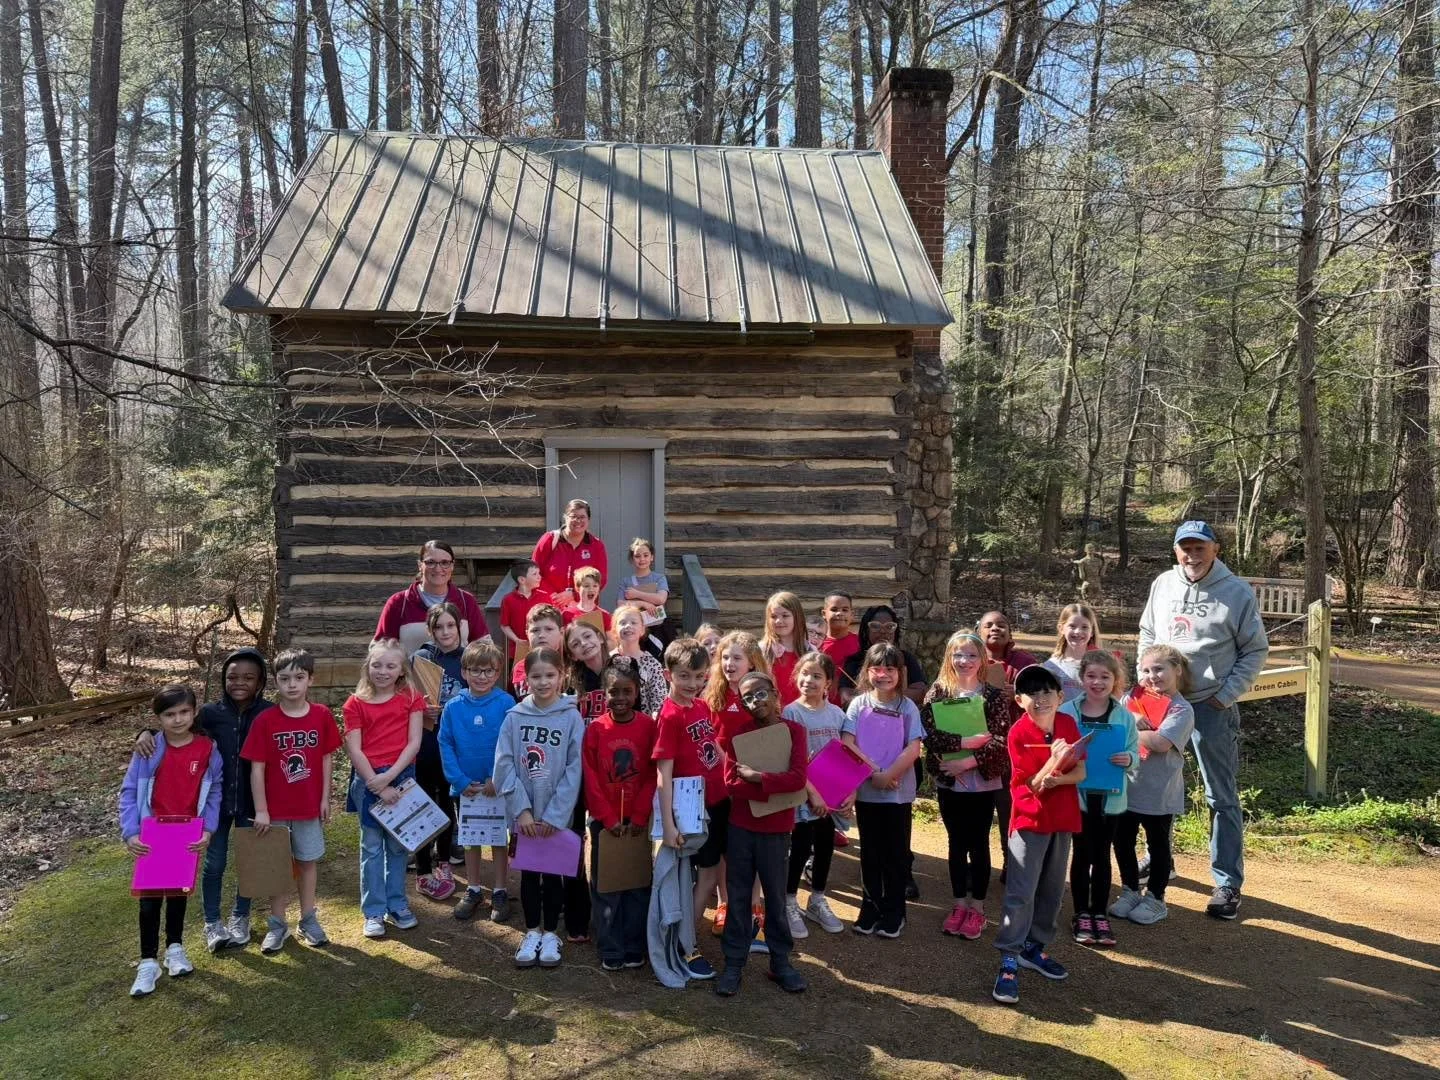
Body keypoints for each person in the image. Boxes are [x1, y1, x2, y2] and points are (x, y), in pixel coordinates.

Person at [1138, 520, 1268, 920]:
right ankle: (1161, 860)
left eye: (1200, 547)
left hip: (1210, 708)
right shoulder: (1163, 584)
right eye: (1185, 548)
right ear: (1177, 550)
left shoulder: (1236, 592)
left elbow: (1255, 650)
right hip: (1163, 705)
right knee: (1155, 789)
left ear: (1216, 549)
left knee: (1220, 796)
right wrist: (1147, 684)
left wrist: (1225, 695)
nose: (1192, 555)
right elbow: (1147, 633)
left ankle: (1227, 882)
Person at [134, 646, 270, 953]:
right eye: (233, 677)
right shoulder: (209, 713)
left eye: (248, 677)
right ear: (224, 678)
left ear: (260, 681)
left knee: (249, 863)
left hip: (254, 802)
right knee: (214, 863)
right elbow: (174, 729)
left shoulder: (267, 712)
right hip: (215, 805)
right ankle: (212, 922)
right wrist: (144, 732)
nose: (239, 683)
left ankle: (240, 916)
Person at [991, 665, 1085, 1006]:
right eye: (1032, 693)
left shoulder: (1068, 724)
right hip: (1029, 822)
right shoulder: (1018, 732)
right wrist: (1053, 763)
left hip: (1062, 819)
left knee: (1052, 891)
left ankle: (1035, 948)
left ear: (1060, 697)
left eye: (1048, 692)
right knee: (1021, 893)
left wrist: (1058, 777)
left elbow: (1080, 770)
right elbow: (1029, 785)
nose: (1041, 698)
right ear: (1019, 700)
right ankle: (1009, 958)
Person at [120, 685, 222, 997]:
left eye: (184, 712)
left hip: (186, 833)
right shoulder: (149, 749)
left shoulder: (207, 749)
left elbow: (215, 789)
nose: (177, 719)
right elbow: (129, 792)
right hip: (153, 834)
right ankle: (148, 961)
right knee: (150, 900)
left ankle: (175, 949)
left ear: (194, 712)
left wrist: (209, 828)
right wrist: (131, 831)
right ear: (158, 718)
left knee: (178, 894)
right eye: (169, 714)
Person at [715, 671, 809, 996]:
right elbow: (730, 784)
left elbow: (797, 779)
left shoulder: (795, 732)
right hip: (741, 828)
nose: (755, 701)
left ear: (773, 691)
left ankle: (780, 961)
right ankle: (733, 962)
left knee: (775, 898)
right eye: (747, 697)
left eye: (759, 693)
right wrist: (772, 786)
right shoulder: (740, 735)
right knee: (738, 895)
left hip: (776, 830)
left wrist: (757, 777)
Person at [242, 648, 341, 953]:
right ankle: (277, 924)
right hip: (274, 811)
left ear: (311, 679)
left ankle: (308, 918)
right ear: (276, 682)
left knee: (307, 862)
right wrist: (261, 809)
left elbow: (326, 760)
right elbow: (256, 768)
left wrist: (325, 798)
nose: (292, 685)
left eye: (299, 677)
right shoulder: (265, 720)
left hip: (308, 807)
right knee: (277, 867)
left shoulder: (321, 715)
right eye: (284, 679)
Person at [494, 647, 585, 969]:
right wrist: (523, 811)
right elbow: (504, 766)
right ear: (525, 679)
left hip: (555, 817)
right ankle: (532, 931)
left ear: (562, 676)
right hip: (527, 817)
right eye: (536, 676)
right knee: (531, 874)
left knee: (555, 874)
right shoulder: (514, 718)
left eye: (550, 675)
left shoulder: (571, 717)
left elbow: (575, 769)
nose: (543, 682)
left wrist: (555, 816)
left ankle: (551, 935)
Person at [921, 631, 1011, 941]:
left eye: (972, 655)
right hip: (950, 781)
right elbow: (930, 736)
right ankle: (959, 904)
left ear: (983, 659)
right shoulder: (937, 693)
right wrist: (961, 744)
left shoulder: (994, 696)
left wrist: (967, 761)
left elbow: (1000, 741)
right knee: (956, 843)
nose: (965, 661)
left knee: (979, 844)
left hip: (981, 781)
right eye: (958, 655)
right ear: (949, 658)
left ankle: (978, 909)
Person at [342, 639, 425, 939]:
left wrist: (391, 777)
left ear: (401, 669)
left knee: (398, 845)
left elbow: (414, 741)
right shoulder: (355, 703)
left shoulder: (411, 697)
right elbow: (354, 748)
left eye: (391, 665)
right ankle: (374, 911)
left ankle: (398, 904)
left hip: (402, 776)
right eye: (377, 664)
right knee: (372, 847)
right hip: (368, 781)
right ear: (368, 666)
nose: (383, 671)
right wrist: (375, 783)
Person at [653, 637, 725, 980]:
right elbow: (663, 773)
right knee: (692, 879)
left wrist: (734, 772)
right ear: (669, 675)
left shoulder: (701, 706)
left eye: (699, 676)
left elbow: (713, 748)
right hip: (690, 810)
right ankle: (686, 944)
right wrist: (668, 824)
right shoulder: (669, 715)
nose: (693, 684)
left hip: (716, 800)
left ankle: (690, 936)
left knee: (709, 876)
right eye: (685, 677)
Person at [842, 643, 925, 938]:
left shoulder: (908, 707)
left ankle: (894, 911)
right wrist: (875, 773)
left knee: (895, 852)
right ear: (868, 671)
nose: (883, 674)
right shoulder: (858, 704)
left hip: (898, 794)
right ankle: (870, 906)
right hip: (867, 792)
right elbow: (848, 742)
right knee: (871, 852)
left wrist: (890, 774)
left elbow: (914, 747)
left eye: (890, 669)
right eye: (877, 668)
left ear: (900, 673)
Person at [1111, 645, 1197, 926]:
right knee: (1122, 840)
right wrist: (1132, 719)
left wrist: (1131, 727)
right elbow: (1113, 722)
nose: (1152, 676)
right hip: (1128, 787)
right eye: (1146, 670)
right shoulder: (1132, 698)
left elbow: (1161, 743)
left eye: (1159, 669)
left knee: (1158, 846)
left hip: (1159, 793)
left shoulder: (1181, 709)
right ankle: (1130, 890)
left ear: (1177, 670)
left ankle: (1156, 898)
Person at [583, 657, 658, 971]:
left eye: (628, 691)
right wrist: (607, 818)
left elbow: (653, 774)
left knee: (637, 886)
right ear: (604, 692)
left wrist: (639, 815)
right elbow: (591, 777)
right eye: (614, 691)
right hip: (606, 825)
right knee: (607, 886)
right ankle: (609, 945)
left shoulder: (648, 727)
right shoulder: (596, 730)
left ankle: (633, 944)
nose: (621, 698)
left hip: (637, 824)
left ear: (638, 691)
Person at [1058, 650, 1137, 949]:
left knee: (1102, 855)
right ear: (1082, 679)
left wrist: (1128, 758)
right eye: (1091, 675)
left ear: (1115, 680)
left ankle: (1099, 913)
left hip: (1111, 800)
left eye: (1105, 676)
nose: (1097, 682)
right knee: (1081, 854)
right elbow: (1056, 750)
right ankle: (1081, 913)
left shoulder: (1124, 715)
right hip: (1077, 796)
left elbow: (1135, 755)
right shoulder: (1067, 712)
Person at [439, 640, 516, 924]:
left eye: (488, 671)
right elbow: (445, 742)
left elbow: (512, 743)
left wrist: (500, 777)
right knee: (470, 840)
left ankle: (499, 890)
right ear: (464, 672)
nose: (481, 676)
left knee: (497, 839)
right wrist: (458, 780)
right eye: (475, 670)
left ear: (497, 674)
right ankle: (472, 889)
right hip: (467, 788)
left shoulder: (506, 703)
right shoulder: (453, 707)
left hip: (496, 787)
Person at [702, 631, 771, 945]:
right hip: (717, 784)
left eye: (737, 658)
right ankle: (724, 902)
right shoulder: (712, 695)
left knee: (749, 848)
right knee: (721, 849)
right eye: (725, 658)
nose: (729, 664)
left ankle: (756, 905)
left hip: (749, 782)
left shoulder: (761, 696)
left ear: (752, 662)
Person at [782, 652, 849, 937]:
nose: (809, 680)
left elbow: (848, 757)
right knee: (799, 849)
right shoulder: (790, 713)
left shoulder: (838, 715)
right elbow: (790, 760)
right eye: (805, 674)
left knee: (824, 846)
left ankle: (817, 899)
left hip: (831, 798)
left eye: (817, 676)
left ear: (829, 683)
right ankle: (789, 901)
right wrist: (813, 794)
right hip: (803, 796)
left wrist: (850, 791)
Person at [560, 619, 611, 943]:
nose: (584, 645)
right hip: (577, 769)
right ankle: (576, 912)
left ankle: (609, 908)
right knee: (572, 837)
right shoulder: (570, 683)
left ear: (600, 636)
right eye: (576, 644)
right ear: (572, 655)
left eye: (587, 637)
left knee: (606, 839)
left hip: (614, 768)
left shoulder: (623, 668)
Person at [412, 603, 465, 899]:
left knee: (446, 801)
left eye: (450, 626)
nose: (445, 632)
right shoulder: (420, 658)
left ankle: (444, 861)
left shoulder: (466, 659)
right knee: (422, 803)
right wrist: (421, 707)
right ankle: (422, 868)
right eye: (439, 627)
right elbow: (405, 697)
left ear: (458, 627)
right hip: (424, 742)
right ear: (430, 631)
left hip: (453, 744)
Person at [977, 611, 1039, 865]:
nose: (995, 629)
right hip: (978, 746)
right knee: (978, 812)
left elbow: (1042, 697)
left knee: (1009, 808)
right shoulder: (970, 658)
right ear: (979, 631)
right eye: (988, 625)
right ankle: (978, 864)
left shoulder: (1024, 662)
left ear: (1010, 632)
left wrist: (1020, 694)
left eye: (1001, 625)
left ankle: (1011, 862)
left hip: (1014, 751)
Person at [374, 540, 487, 657]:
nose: (438, 569)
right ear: (420, 565)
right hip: (412, 674)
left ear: (452, 566)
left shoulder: (466, 601)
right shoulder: (399, 602)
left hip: (459, 675)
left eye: (445, 562)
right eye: (430, 562)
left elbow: (483, 645)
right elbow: (380, 648)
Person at [841, 606, 928, 708]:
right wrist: (877, 697)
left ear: (896, 631)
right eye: (875, 626)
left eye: (889, 626)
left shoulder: (906, 659)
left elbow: (921, 693)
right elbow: (845, 698)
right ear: (866, 630)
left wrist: (888, 695)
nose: (883, 631)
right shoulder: (854, 661)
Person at [532, 498, 608, 607]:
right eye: (573, 516)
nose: (578, 520)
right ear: (565, 517)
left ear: (588, 520)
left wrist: (574, 594)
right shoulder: (549, 540)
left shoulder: (596, 546)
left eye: (582, 517)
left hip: (583, 609)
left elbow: (601, 579)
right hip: (550, 608)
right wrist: (555, 597)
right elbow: (533, 573)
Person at [611, 604, 669, 717]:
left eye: (634, 622)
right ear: (614, 631)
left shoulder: (653, 664)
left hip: (643, 724)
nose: (628, 626)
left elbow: (659, 702)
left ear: (642, 630)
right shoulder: (608, 660)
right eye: (622, 623)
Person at [759, 591, 813, 706]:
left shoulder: (810, 651)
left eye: (785, 615)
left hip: (803, 716)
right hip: (774, 718)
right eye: (773, 616)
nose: (778, 621)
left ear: (797, 617)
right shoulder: (762, 650)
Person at [1043, 603, 1101, 703]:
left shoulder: (1102, 665)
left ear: (1091, 632)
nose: (1078, 631)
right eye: (1072, 626)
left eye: (1084, 627)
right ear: (1061, 628)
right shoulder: (1051, 667)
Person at [499, 560, 551, 662]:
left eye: (539, 573)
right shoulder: (508, 600)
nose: (539, 577)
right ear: (522, 580)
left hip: (542, 648)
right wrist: (517, 640)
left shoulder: (545, 597)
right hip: (518, 650)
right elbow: (504, 625)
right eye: (535, 574)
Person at [619, 537, 670, 638]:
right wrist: (643, 604)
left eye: (646, 555)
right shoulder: (626, 581)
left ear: (652, 557)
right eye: (637, 556)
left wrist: (637, 594)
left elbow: (661, 599)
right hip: (635, 630)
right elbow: (620, 605)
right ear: (632, 559)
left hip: (658, 629)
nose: (642, 559)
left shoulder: (659, 578)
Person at [511, 603, 565, 696]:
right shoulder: (519, 669)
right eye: (535, 630)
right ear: (527, 633)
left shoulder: (571, 667)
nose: (541, 635)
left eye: (548, 629)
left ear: (561, 632)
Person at [819, 593, 861, 706]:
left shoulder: (860, 643)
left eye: (845, 610)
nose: (840, 613)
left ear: (851, 614)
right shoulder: (816, 645)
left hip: (852, 706)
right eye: (834, 609)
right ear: (824, 614)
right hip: (821, 708)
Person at [563, 566, 612, 633]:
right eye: (586, 586)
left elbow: (610, 640)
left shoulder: (604, 615)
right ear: (577, 588)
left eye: (595, 586)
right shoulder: (567, 614)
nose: (591, 589)